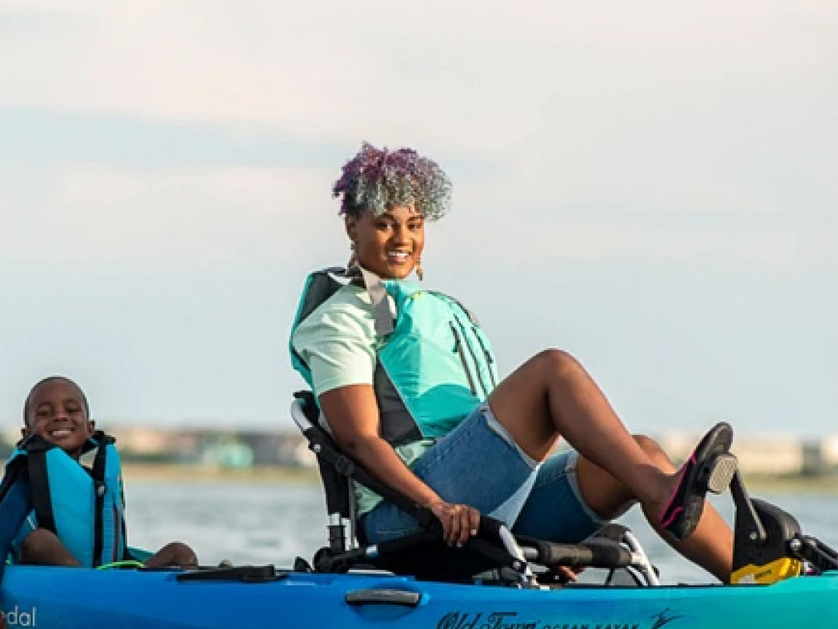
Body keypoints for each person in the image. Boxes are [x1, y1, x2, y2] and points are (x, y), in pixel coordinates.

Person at [289, 143, 737, 581]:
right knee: (552, 370)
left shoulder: (441, 309)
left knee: (642, 455)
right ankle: (665, 495)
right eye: (385, 225)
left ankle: (755, 580)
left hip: (483, 509)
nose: (403, 239)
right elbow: (358, 440)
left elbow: (494, 445)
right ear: (352, 227)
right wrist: (436, 506)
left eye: (415, 224)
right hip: (412, 520)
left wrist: (565, 532)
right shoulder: (341, 319)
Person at [0, 376, 198, 629]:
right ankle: (107, 605)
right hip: (49, 581)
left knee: (180, 553)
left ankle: (191, 619)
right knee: (40, 540)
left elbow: (107, 549)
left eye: (71, 409)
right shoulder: (30, 477)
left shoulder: (98, 484)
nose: (60, 417)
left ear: (90, 428)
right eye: (44, 413)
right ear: (25, 432)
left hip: (103, 581)